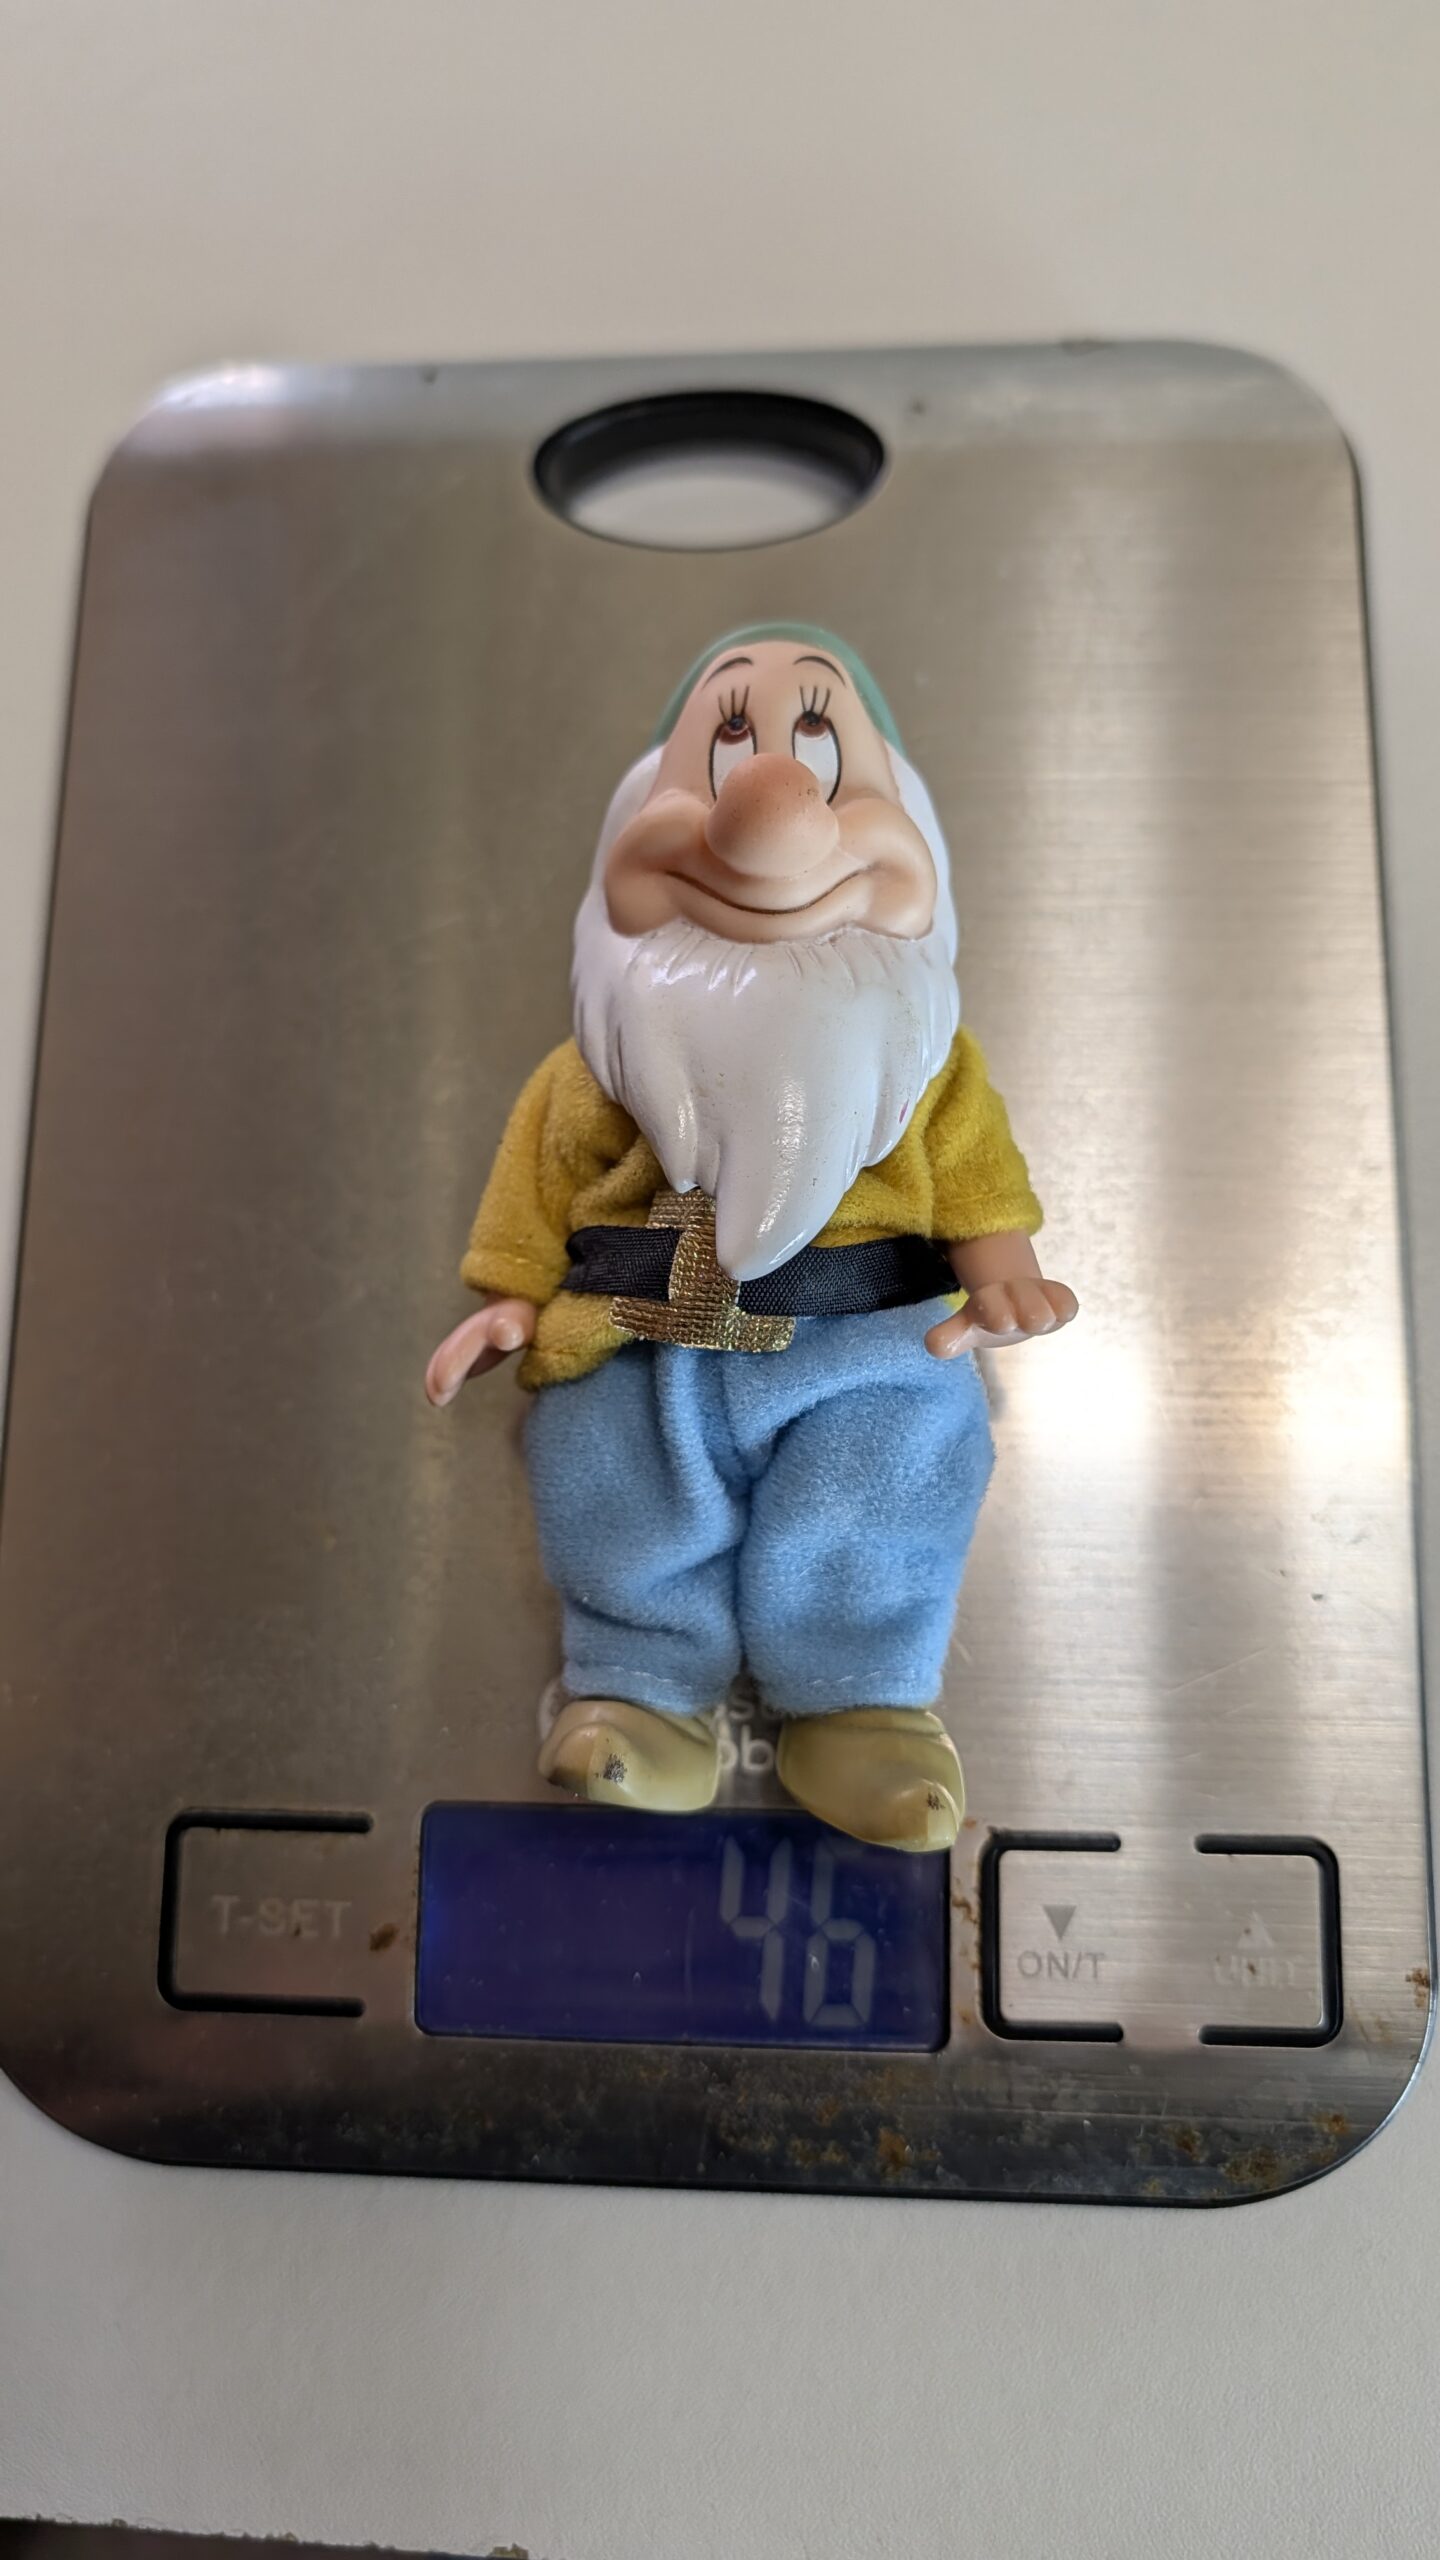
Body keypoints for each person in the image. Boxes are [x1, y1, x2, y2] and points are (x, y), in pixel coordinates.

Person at [427, 624, 1076, 1849]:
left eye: (821, 749)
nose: (770, 811)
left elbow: (975, 1177)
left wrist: (1003, 1273)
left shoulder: (931, 1065)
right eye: (725, 748)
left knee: (888, 1477)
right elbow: (539, 1179)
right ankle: (636, 1688)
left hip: (864, 1345)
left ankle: (863, 1700)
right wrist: (510, 1299)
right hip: (636, 1336)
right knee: (608, 1478)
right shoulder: (592, 1073)